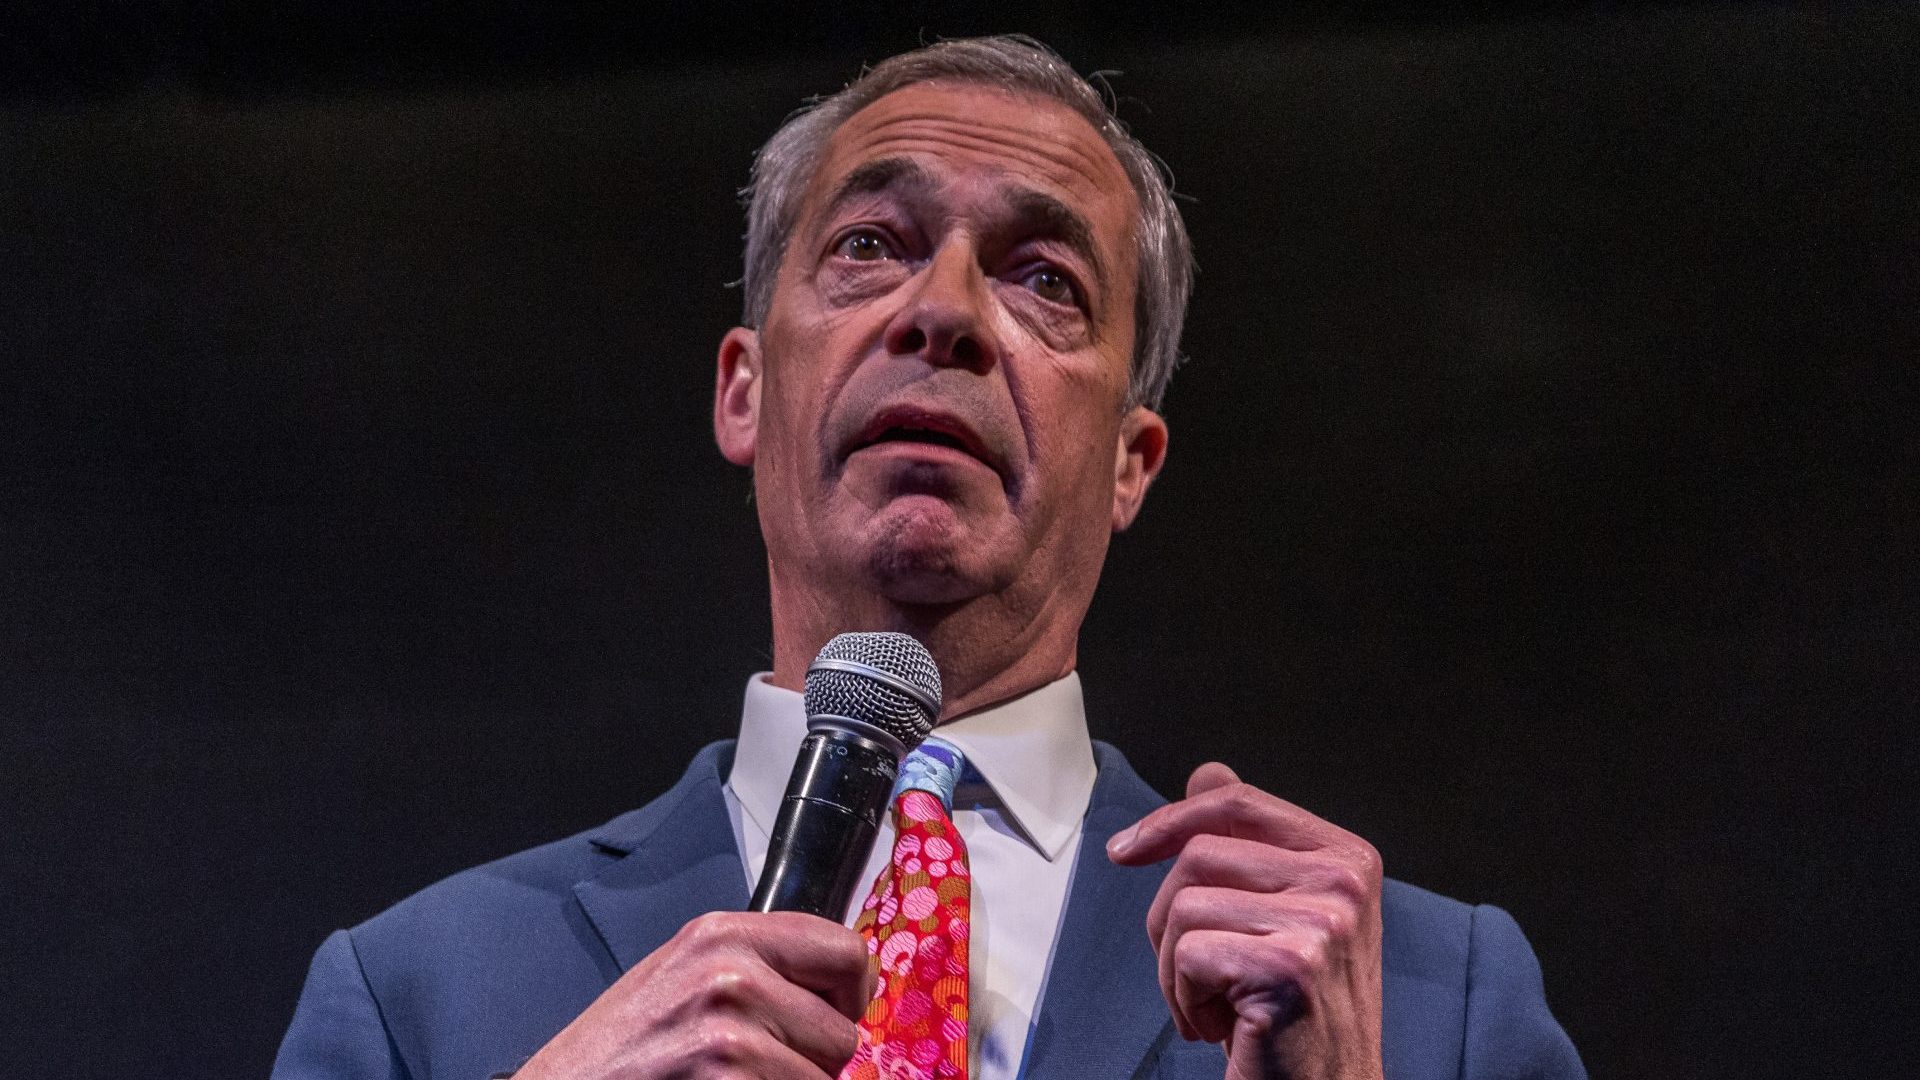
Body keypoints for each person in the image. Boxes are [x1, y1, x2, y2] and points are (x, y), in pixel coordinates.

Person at [274, 35, 1584, 1080]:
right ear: (743, 391)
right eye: (868, 246)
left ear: (1133, 462)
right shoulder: (416, 996)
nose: (944, 311)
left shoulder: (1430, 1001)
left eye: (1045, 280)